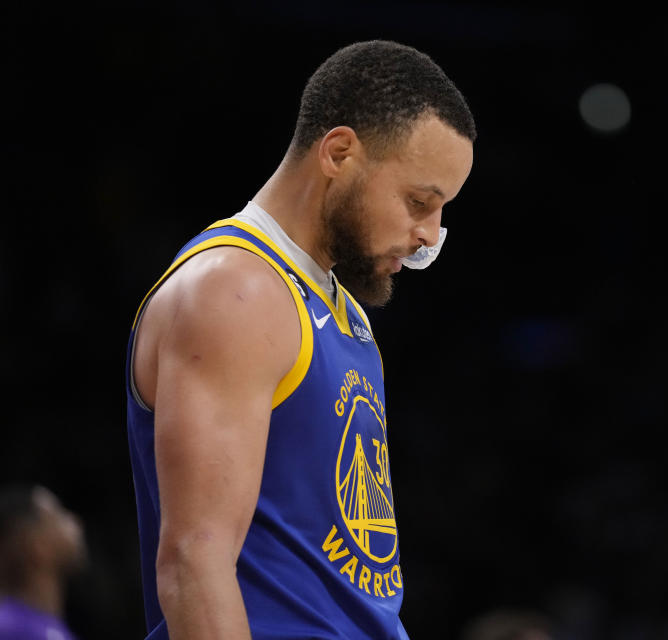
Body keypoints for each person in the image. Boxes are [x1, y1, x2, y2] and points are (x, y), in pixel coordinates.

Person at [125, 40, 475, 639]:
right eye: (420, 202)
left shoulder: (340, 312)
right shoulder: (236, 291)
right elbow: (194, 565)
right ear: (338, 152)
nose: (429, 236)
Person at [0, 485, 87, 640]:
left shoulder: (52, 630)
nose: (76, 521)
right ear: (38, 546)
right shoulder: (8, 629)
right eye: (60, 515)